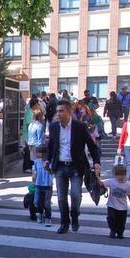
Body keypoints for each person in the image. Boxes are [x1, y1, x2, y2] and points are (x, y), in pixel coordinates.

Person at [45, 100, 102, 234]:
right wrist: (48, 160)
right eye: (57, 111)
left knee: (75, 195)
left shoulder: (80, 126)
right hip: (60, 166)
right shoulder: (53, 126)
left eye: (61, 111)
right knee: (61, 197)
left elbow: (92, 146)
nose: (58, 114)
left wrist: (96, 162)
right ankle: (64, 223)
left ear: (69, 112)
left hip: (76, 166)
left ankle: (75, 215)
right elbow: (51, 145)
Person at [97, 164, 130, 239]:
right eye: (119, 175)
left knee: (121, 221)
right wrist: (97, 175)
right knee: (111, 219)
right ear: (115, 175)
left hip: (123, 207)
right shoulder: (112, 182)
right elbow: (101, 183)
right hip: (112, 205)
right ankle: (113, 230)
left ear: (125, 174)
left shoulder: (128, 185)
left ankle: (120, 232)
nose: (121, 177)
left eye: (123, 174)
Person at [32, 146, 54, 227]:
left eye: (43, 152)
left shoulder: (50, 162)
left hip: (48, 185)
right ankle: (40, 213)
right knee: (37, 201)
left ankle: (48, 217)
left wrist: (47, 168)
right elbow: (34, 172)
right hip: (38, 184)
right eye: (39, 152)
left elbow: (52, 172)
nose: (41, 155)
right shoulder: (36, 161)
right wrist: (33, 181)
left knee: (47, 203)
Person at [21, 97, 40, 172]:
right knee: (28, 152)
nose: (38, 105)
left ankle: (29, 166)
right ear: (35, 105)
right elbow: (29, 124)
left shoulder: (32, 112)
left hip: (30, 136)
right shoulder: (30, 112)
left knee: (30, 152)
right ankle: (26, 167)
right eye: (38, 104)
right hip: (28, 136)